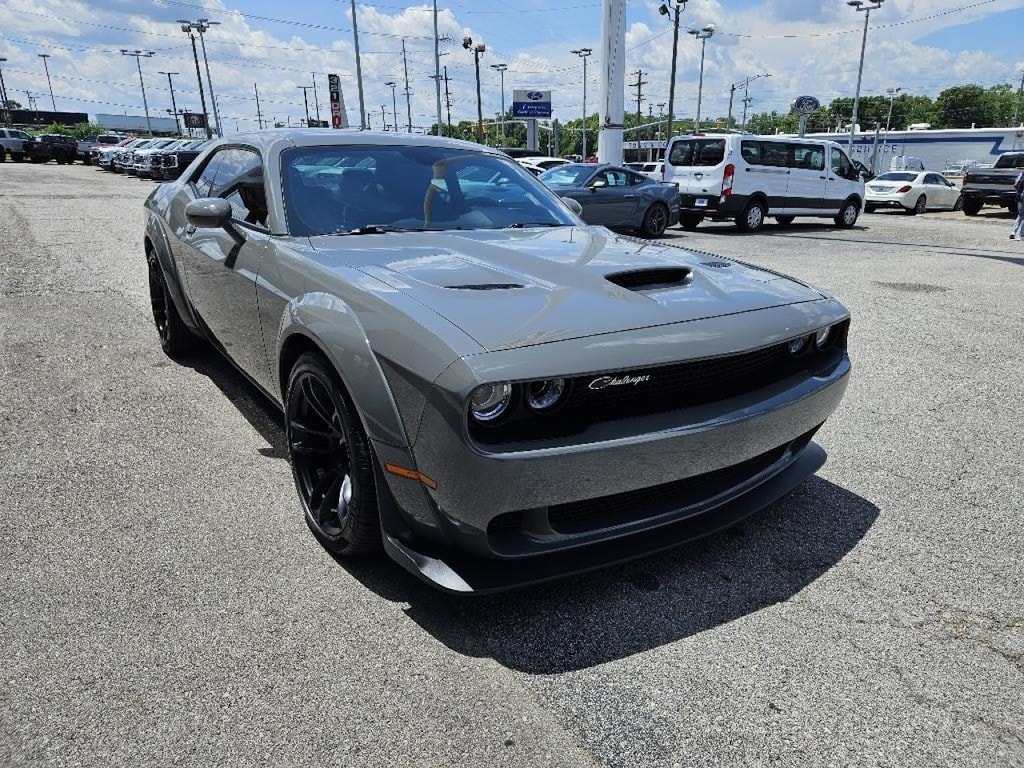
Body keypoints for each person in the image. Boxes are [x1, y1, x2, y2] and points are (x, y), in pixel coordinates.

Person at [1011, 169, 1024, 239]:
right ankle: (1022, 235)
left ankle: (1013, 231)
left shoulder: (1022, 173)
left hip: (1020, 197)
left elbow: (1015, 185)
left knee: (1020, 215)